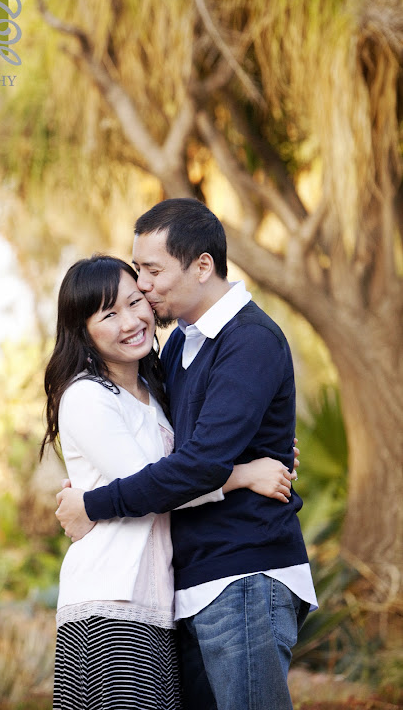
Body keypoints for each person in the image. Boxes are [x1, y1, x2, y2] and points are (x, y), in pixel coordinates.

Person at [55, 200, 317, 710]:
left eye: (152, 272)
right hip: (187, 585)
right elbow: (172, 458)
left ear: (201, 265)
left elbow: (196, 466)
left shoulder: (250, 339)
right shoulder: (175, 349)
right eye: (140, 272)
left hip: (243, 571)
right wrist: (245, 468)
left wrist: (94, 504)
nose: (145, 288)